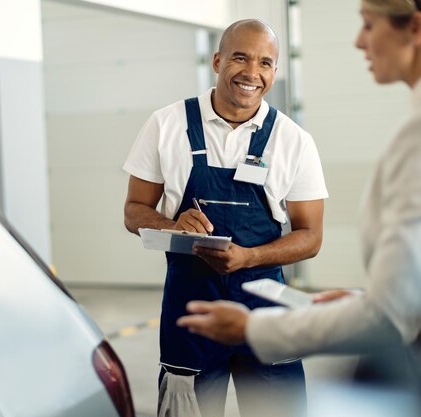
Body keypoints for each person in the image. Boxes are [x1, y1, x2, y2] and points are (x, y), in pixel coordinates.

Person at [178, 0, 421, 386]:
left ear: (416, 28)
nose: (359, 42)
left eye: (368, 25)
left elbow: (390, 319)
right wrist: (360, 300)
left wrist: (253, 330)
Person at [123, 19, 328, 417]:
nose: (252, 73)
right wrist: (172, 224)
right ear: (217, 60)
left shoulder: (293, 140)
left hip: (267, 313)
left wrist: (249, 258)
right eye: (240, 57)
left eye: (265, 63)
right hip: (191, 310)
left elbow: (311, 236)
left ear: (275, 72)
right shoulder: (166, 125)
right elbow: (134, 211)